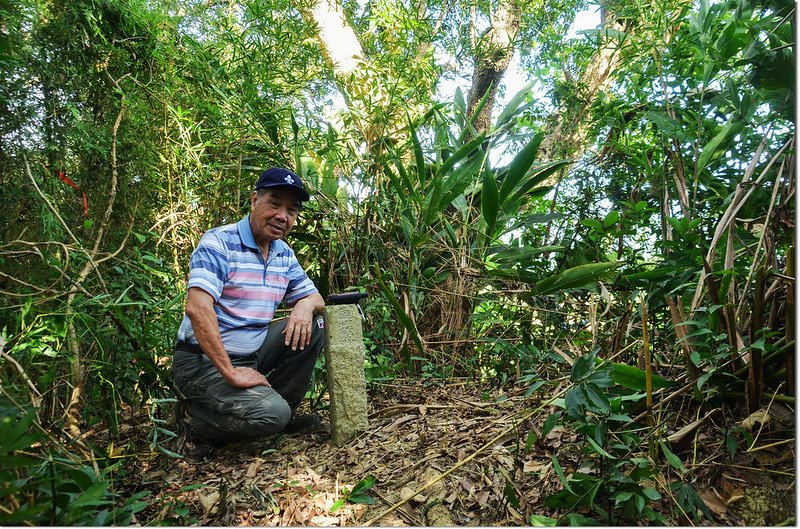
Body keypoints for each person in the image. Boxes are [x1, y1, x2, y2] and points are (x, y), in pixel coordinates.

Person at [172, 167, 326, 460]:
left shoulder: (283, 253)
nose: (283, 215)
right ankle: (198, 421)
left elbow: (315, 296)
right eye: (275, 204)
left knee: (316, 324)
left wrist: (305, 306)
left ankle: (283, 410)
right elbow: (197, 308)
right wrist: (229, 372)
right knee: (272, 416)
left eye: (292, 210)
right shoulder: (220, 243)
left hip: (251, 353)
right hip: (202, 362)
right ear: (255, 200)